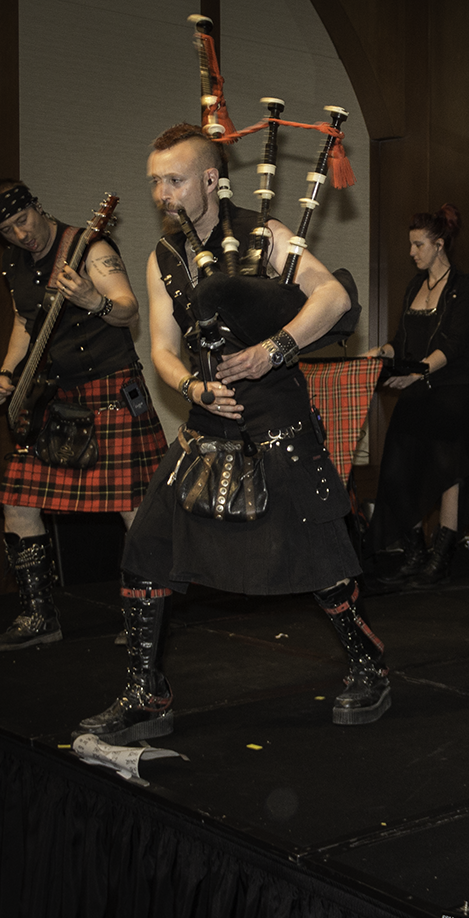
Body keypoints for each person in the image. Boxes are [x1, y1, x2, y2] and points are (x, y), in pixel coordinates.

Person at [76, 123, 388, 746]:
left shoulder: (266, 234)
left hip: (277, 418)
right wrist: (192, 387)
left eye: (175, 179)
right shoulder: (162, 257)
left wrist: (276, 348)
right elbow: (163, 349)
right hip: (205, 420)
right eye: (156, 182)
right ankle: (147, 693)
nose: (162, 192)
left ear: (212, 180)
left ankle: (369, 663)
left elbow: (330, 298)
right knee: (147, 549)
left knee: (321, 561)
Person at [0, 180, 167, 652]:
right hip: (56, 398)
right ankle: (38, 615)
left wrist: (92, 300)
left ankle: (146, 618)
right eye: (8, 230)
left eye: (23, 220)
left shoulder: (90, 246)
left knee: (134, 509)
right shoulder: (12, 264)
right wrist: (8, 373)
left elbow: (128, 310)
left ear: (37, 207)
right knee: (17, 501)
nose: (21, 235)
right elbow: (26, 321)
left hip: (110, 390)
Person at [362, 204, 469, 586]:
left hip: (449, 395)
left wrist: (419, 371)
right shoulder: (415, 286)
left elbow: (455, 344)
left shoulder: (464, 287)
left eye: (418, 245)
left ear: (440, 244)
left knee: (448, 472)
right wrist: (381, 353)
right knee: (399, 470)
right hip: (415, 393)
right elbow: (401, 342)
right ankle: (414, 552)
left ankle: (441, 557)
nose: (412, 252)